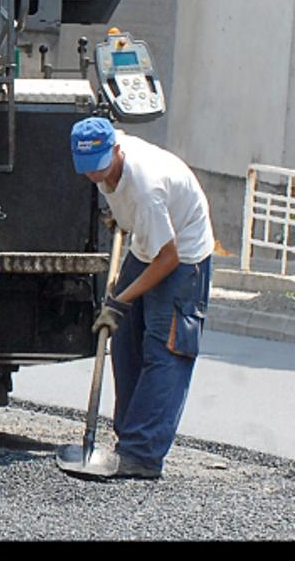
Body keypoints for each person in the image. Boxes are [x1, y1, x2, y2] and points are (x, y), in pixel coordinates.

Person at [70, 116, 214, 480]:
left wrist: (119, 299)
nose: (95, 177)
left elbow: (170, 258)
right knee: (124, 342)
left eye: (101, 169)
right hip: (147, 244)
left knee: (164, 350)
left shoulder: (147, 186)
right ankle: (127, 436)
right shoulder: (102, 158)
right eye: (88, 171)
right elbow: (130, 215)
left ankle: (143, 454)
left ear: (117, 151)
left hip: (183, 254)